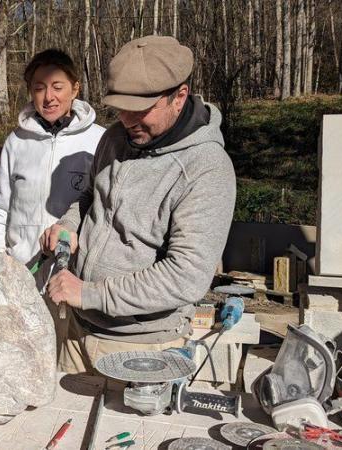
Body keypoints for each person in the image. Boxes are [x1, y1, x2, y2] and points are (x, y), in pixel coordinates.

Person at [40, 36, 237, 374]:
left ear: (179, 96)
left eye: (141, 110)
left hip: (142, 344)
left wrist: (90, 294)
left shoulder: (206, 168)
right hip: (77, 328)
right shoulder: (115, 138)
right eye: (120, 108)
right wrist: (69, 226)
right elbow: (89, 197)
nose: (128, 120)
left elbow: (185, 276)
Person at [0, 49, 105, 271]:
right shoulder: (17, 141)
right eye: (39, 88)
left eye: (58, 87)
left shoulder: (99, 139)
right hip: (21, 267)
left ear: (75, 89)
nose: (49, 97)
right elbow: (0, 206)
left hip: (76, 269)